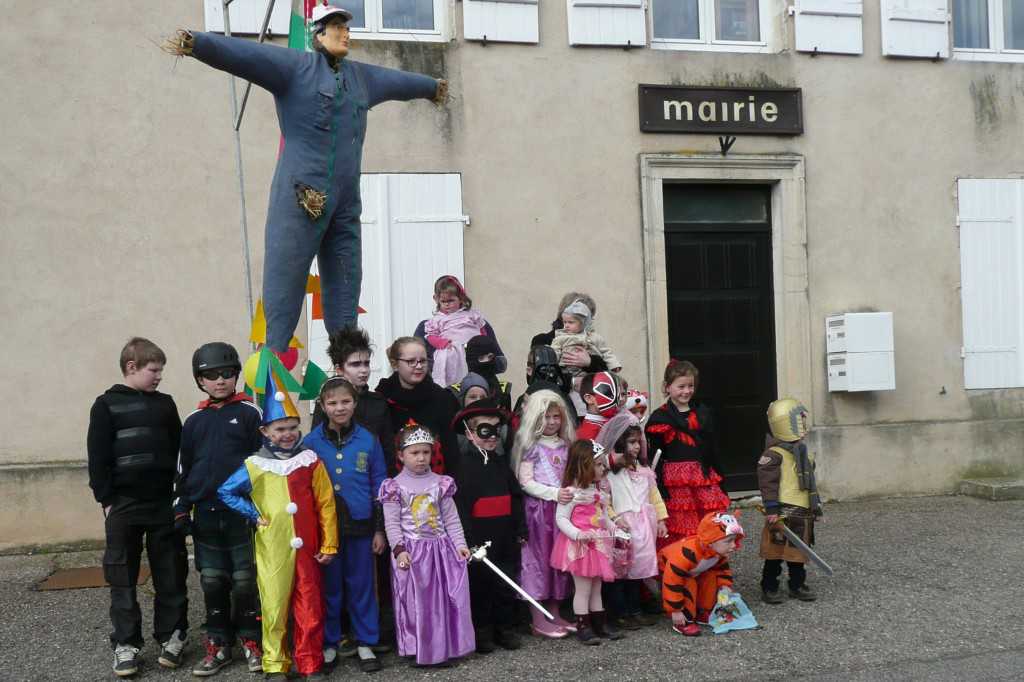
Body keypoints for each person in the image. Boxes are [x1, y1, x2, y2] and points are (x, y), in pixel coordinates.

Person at [163, 5, 448, 352]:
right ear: (318, 34)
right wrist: (200, 44)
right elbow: (248, 55)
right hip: (301, 197)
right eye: (337, 27)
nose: (345, 33)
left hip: (345, 203)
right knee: (286, 281)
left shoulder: (362, 78)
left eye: (346, 27)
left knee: (346, 281)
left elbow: (398, 81)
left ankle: (347, 363)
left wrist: (431, 87)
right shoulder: (295, 69)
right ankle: (273, 362)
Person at [218, 371, 338, 680]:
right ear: (265, 431)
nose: (287, 434)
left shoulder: (310, 460)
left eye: (292, 428)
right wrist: (253, 513)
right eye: (280, 428)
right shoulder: (255, 465)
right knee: (273, 605)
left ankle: (310, 663)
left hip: (308, 548)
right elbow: (226, 491)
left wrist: (329, 543)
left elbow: (325, 503)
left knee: (310, 606)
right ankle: (275, 663)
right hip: (273, 547)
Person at [87, 338, 189, 678]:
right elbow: (98, 456)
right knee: (122, 576)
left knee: (170, 572)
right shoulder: (106, 405)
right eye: (154, 370)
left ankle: (172, 636)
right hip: (124, 506)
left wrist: (179, 496)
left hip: (162, 504)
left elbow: (179, 452)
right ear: (132, 367)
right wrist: (106, 500)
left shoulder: (165, 404)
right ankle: (126, 644)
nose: (159, 376)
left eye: (160, 370)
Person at [175, 342, 263, 675]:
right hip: (206, 514)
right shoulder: (194, 420)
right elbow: (185, 467)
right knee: (212, 580)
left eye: (227, 373)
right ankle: (218, 644)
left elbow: (262, 463)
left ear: (237, 375)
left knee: (244, 581)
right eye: (211, 376)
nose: (220, 381)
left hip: (241, 512)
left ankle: (251, 640)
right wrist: (182, 507)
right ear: (200, 381)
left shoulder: (250, 412)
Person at [304, 377, 388, 672]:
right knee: (330, 587)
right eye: (333, 403)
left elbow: (380, 484)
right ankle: (329, 642)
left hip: (361, 525)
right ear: (323, 406)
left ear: (355, 403)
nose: (340, 408)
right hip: (325, 528)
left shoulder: (368, 439)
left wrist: (379, 528)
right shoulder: (311, 442)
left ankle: (366, 641)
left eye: (345, 402)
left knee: (362, 585)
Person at [378, 422, 475, 666]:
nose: (421, 458)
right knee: (415, 603)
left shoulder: (441, 483)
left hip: (440, 551)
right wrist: (398, 550)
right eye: (414, 453)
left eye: (426, 452)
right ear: (401, 455)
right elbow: (392, 523)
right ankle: (418, 647)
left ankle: (443, 647)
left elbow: (451, 519)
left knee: (440, 602)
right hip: (412, 552)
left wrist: (460, 545)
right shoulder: (394, 487)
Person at [448, 399, 526, 653]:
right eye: (485, 430)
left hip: (504, 537)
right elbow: (459, 508)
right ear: (470, 434)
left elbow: (515, 497)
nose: (492, 436)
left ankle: (505, 629)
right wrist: (469, 540)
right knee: (480, 587)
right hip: (480, 539)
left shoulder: (501, 464)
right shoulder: (463, 468)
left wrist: (520, 528)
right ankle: (482, 632)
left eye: (497, 429)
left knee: (505, 584)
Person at [511, 390, 577, 639]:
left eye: (556, 417)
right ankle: (537, 616)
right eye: (546, 416)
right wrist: (554, 493)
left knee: (558, 562)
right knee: (537, 563)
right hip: (539, 513)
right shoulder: (530, 447)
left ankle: (554, 611)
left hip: (562, 511)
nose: (551, 422)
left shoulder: (566, 445)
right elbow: (525, 482)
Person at [644, 360, 729, 546]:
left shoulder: (703, 413)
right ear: (668, 387)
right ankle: (682, 566)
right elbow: (655, 458)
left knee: (709, 522)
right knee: (681, 525)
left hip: (703, 477)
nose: (686, 391)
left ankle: (710, 566)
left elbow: (712, 449)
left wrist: (721, 479)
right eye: (681, 386)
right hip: (676, 482)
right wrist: (657, 488)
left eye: (691, 386)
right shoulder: (660, 418)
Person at [597, 412, 668, 630]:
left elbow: (654, 495)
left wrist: (662, 519)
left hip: (643, 526)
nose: (637, 446)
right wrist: (615, 518)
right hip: (621, 527)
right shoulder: (608, 473)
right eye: (631, 442)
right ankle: (619, 612)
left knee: (637, 572)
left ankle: (635, 609)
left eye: (639, 441)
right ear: (619, 442)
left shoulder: (644, 470)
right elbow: (604, 501)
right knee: (620, 573)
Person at [550, 439, 623, 645]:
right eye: (598, 464)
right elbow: (561, 518)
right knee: (583, 589)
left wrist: (615, 529)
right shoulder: (572, 493)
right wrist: (577, 534)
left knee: (596, 587)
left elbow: (603, 517)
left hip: (598, 545)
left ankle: (599, 624)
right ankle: (583, 626)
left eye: (602, 464)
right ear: (584, 465)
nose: (603, 468)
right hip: (580, 547)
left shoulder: (598, 492)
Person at [758, 398, 823, 604]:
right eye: (799, 420)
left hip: (802, 511)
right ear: (787, 423)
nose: (804, 425)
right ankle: (769, 586)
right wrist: (771, 509)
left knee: (798, 551)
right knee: (775, 552)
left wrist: (816, 508)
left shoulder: (802, 452)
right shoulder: (774, 455)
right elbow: (768, 483)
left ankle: (796, 584)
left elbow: (810, 485)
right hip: (781, 511)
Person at [313, 325, 396, 474]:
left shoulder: (378, 402)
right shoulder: (325, 404)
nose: (364, 370)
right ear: (339, 369)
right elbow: (317, 447)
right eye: (355, 364)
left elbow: (388, 451)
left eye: (367, 363)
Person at [375, 337, 460, 474]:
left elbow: (451, 450)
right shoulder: (382, 399)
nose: (419, 366)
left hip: (436, 483)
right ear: (395, 364)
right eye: (411, 361)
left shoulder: (441, 398)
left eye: (423, 361)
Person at [658, 511, 744, 637]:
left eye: (734, 540)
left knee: (711, 578)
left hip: (693, 570)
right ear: (711, 541)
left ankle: (704, 610)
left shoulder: (717, 552)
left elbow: (722, 569)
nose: (734, 545)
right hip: (666, 573)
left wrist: (724, 586)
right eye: (728, 541)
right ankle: (684, 620)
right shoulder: (685, 555)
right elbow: (672, 582)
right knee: (689, 584)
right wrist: (675, 611)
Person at [415, 276, 501, 388]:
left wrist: (483, 345)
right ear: (436, 299)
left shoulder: (472, 316)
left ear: (461, 298)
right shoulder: (432, 323)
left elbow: (485, 336)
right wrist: (442, 344)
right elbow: (429, 339)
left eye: (451, 300)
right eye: (443, 301)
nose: (447, 304)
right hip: (450, 352)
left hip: (477, 367)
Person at [530, 292, 609, 374]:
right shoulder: (542, 340)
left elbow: (607, 373)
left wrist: (590, 362)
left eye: (589, 318)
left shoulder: (592, 340)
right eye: (583, 317)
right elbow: (533, 375)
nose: (587, 322)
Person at [550, 299, 621, 379]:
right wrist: (552, 361)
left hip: (590, 373)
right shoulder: (561, 337)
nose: (566, 325)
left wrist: (614, 365)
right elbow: (554, 351)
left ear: (583, 323)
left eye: (571, 322)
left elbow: (606, 352)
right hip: (567, 371)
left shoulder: (594, 337)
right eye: (565, 322)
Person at [576, 371, 624, 440]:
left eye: (618, 394)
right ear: (589, 398)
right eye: (609, 393)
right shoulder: (588, 431)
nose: (620, 399)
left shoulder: (614, 419)